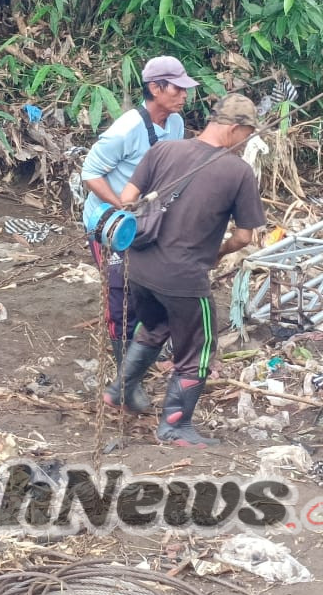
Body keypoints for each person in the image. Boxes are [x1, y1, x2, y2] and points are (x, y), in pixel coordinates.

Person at [107, 94, 266, 447]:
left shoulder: (164, 150)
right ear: (236, 129)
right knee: (199, 347)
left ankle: (120, 389)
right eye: (248, 135)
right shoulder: (238, 170)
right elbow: (243, 237)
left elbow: (127, 198)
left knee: (155, 327)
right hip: (183, 277)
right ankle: (175, 426)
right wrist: (217, 252)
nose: (246, 143)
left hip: (141, 267)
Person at [79, 55, 198, 412]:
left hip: (146, 221)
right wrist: (119, 206)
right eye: (177, 88)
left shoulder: (174, 123)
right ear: (155, 88)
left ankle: (135, 362)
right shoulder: (126, 129)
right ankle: (125, 380)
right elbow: (91, 171)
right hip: (110, 222)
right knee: (120, 296)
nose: (183, 95)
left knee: (151, 289)